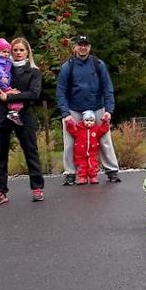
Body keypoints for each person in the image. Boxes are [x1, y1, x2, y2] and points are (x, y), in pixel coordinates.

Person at [55, 34, 120, 185]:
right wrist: (65, 114)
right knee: (70, 142)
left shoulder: (98, 64)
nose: (83, 48)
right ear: (75, 47)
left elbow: (108, 88)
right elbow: (61, 92)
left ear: (89, 47)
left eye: (86, 45)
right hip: (74, 109)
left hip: (97, 107)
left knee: (104, 140)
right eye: (80, 44)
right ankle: (70, 173)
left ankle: (112, 171)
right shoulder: (68, 66)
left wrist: (108, 110)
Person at [0, 37, 45, 204]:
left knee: (31, 151)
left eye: (21, 50)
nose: (17, 53)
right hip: (3, 115)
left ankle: (37, 188)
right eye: (15, 50)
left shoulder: (34, 71)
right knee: (0, 154)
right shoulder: (3, 68)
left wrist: (9, 96)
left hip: (24, 115)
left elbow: (34, 94)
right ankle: (0, 191)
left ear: (27, 52)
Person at [65, 110, 110, 184]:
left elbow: (103, 130)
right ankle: (82, 177)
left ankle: (93, 177)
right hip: (80, 152)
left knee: (93, 164)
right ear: (83, 120)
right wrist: (69, 124)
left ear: (94, 121)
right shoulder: (79, 128)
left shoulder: (96, 129)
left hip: (92, 151)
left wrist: (105, 122)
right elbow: (72, 130)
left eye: (91, 120)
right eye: (87, 120)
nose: (89, 122)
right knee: (81, 165)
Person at [0, 38, 24, 126]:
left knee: (16, 94)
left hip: (5, 84)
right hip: (1, 84)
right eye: (3, 52)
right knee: (14, 94)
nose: (6, 54)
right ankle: (13, 113)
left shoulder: (7, 61)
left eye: (8, 52)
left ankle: (13, 112)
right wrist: (4, 78)